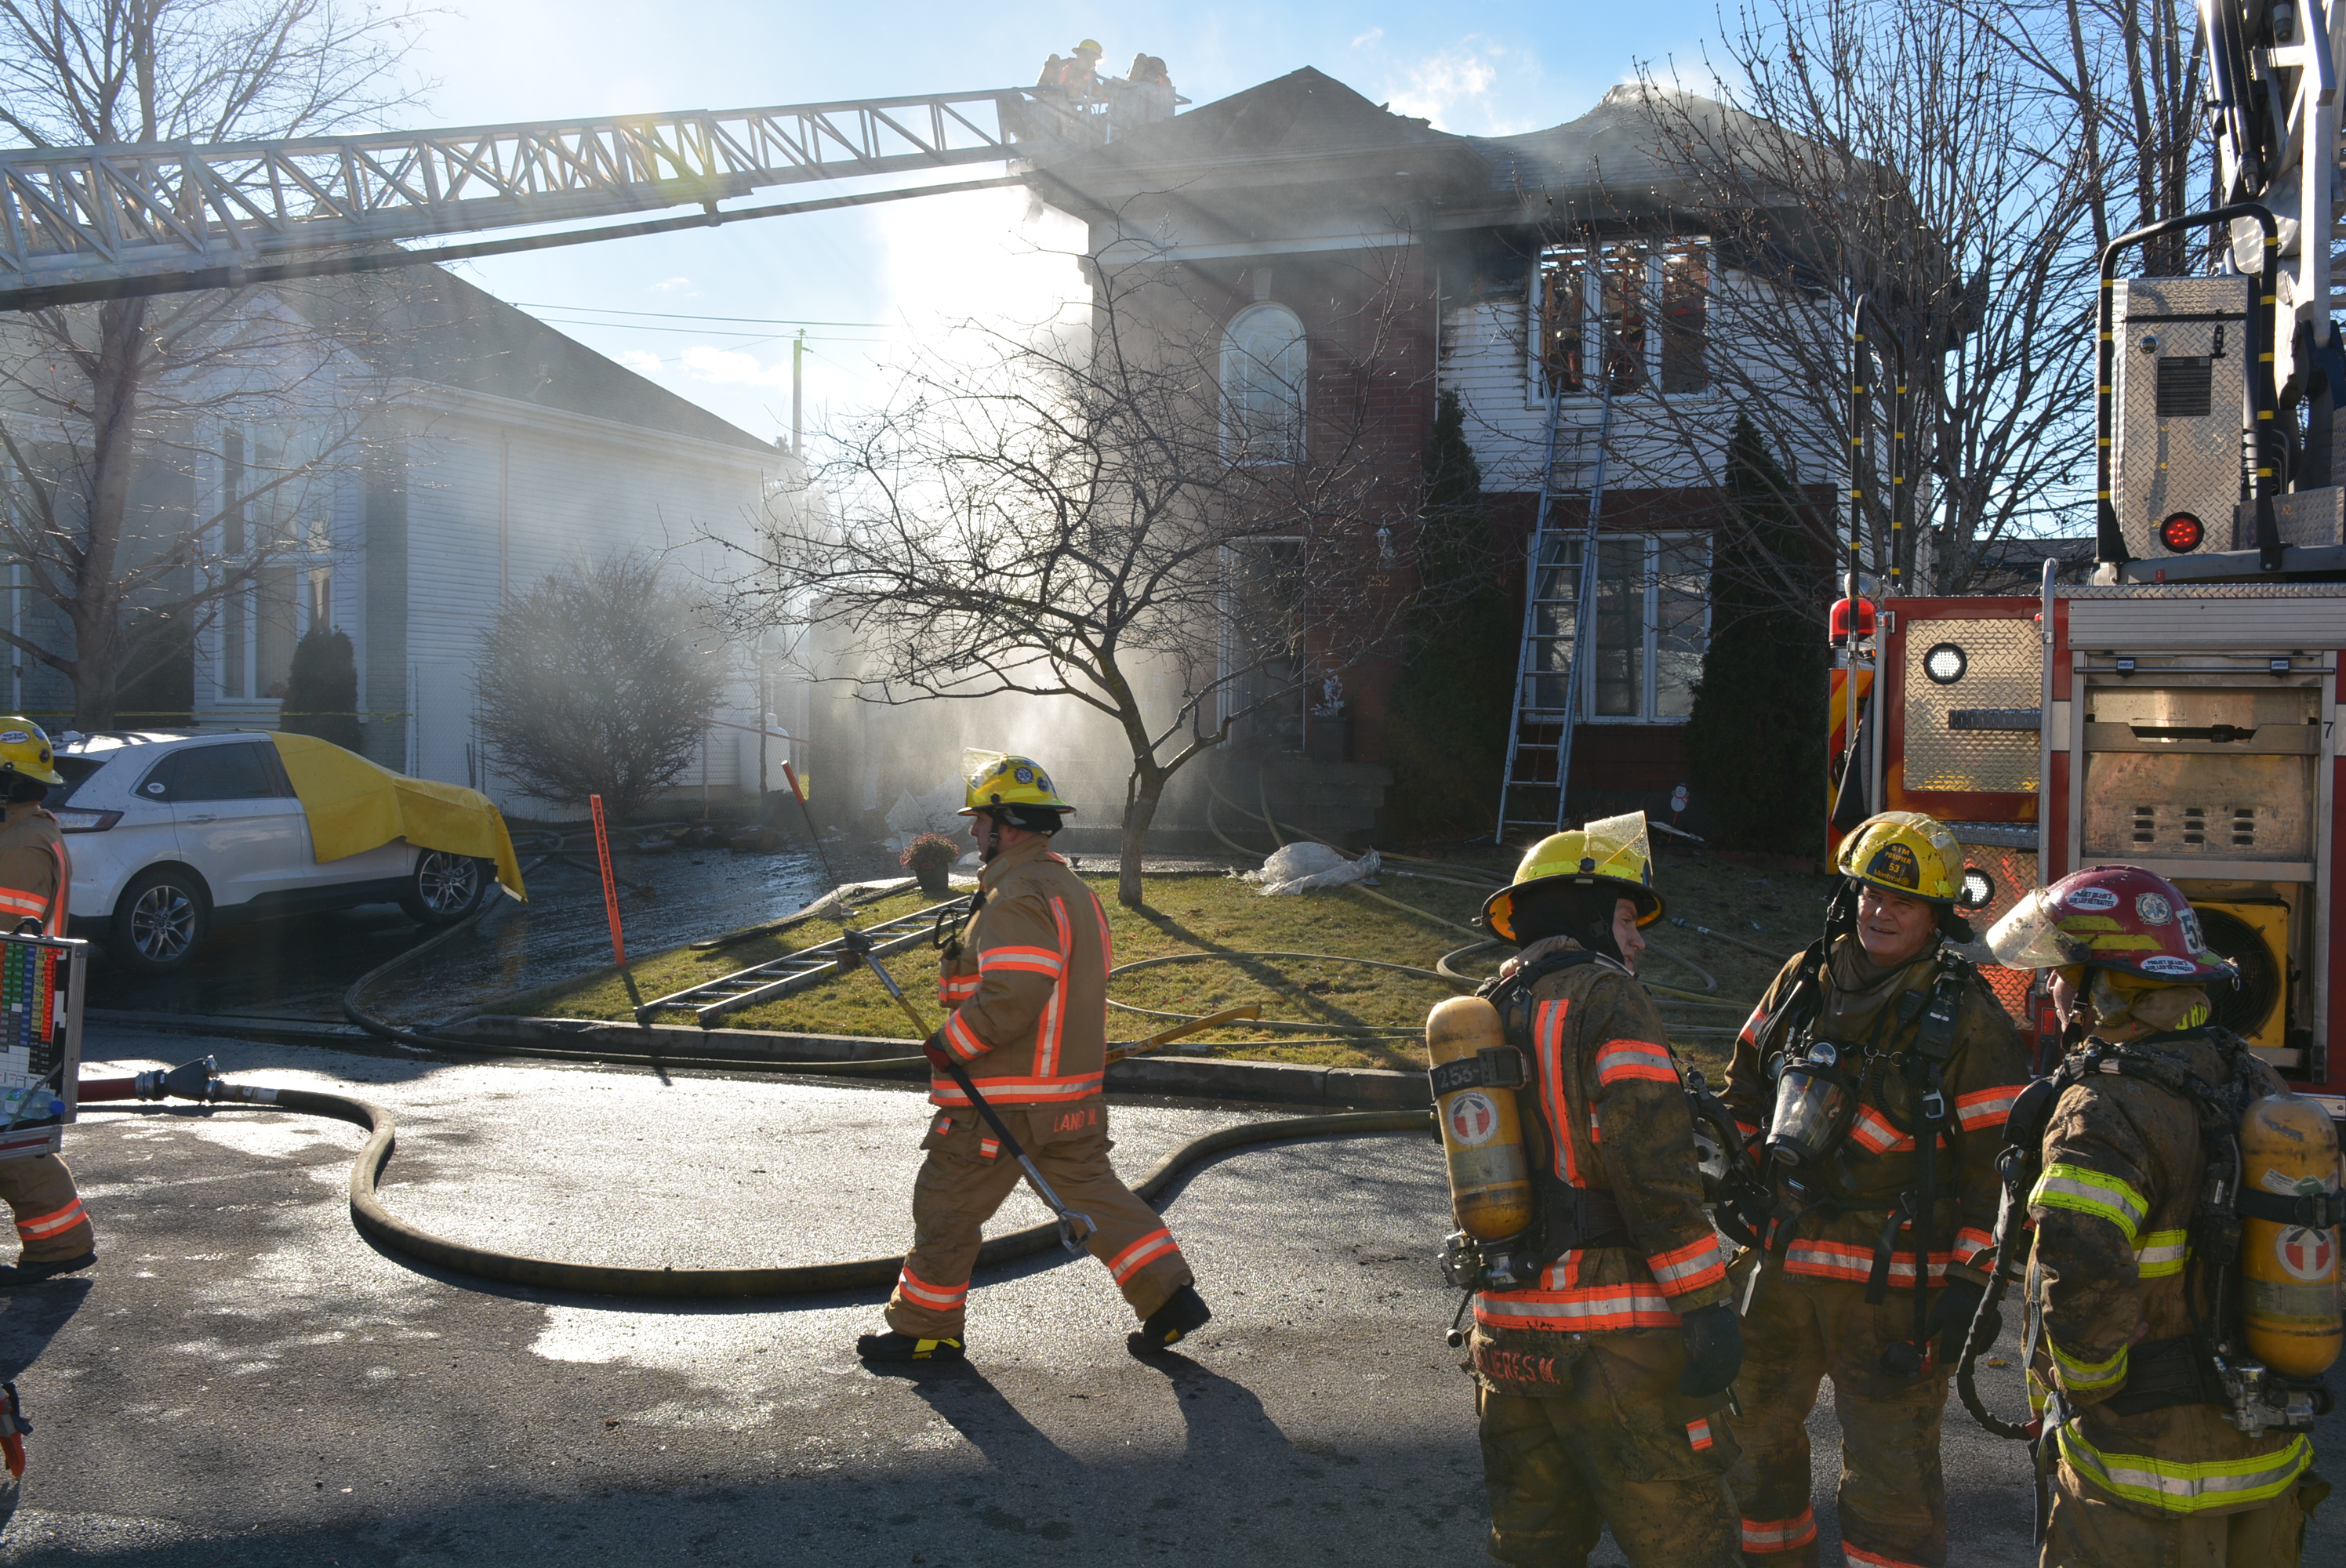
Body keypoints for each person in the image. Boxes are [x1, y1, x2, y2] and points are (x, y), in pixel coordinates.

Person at [1984, 865, 2326, 1566]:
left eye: (2061, 972)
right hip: (2265, 1465)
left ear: (2105, 989)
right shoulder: (2254, 1079)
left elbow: (2080, 1269)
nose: (2051, 989)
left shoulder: (2101, 1107)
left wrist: (2089, 1384)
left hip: (2144, 1480)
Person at [1721, 810, 2030, 1567]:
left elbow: (2000, 1168)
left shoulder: (1967, 1016)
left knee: (1891, 1477)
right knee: (1751, 1443)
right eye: (1869, 894)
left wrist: (1973, 1283)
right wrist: (1735, 1171)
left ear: (1937, 918)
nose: (1880, 912)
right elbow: (1745, 1092)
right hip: (1780, 1268)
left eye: (1903, 902)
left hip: (1895, 1295)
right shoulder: (1803, 980)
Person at [854, 753, 1208, 1363]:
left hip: (1003, 1098)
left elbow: (1012, 995)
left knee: (945, 1206)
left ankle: (926, 1330)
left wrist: (951, 1044)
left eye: (981, 820)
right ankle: (1169, 1298)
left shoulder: (1018, 895)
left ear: (1009, 826)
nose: (972, 831)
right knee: (1095, 1198)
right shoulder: (1071, 891)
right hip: (1066, 1096)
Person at [1463, 812, 1745, 1567]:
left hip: (1507, 1341)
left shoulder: (1484, 1010)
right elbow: (1653, 1170)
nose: (1638, 941)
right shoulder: (1606, 997)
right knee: (1691, 1546)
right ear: (1584, 914)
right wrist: (1706, 1306)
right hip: (1613, 1344)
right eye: (1625, 918)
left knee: (1536, 1549)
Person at [0, 718, 92, 1287]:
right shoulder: (29, 832)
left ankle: (61, 1243)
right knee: (13, 1133)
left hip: (10, 1006)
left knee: (12, 1138)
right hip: (19, 1005)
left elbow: (6, 934)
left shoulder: (18, 845)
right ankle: (60, 1242)